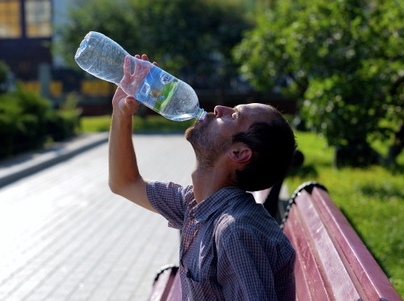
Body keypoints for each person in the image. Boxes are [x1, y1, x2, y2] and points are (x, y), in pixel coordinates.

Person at [108, 54, 297, 300]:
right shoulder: (196, 204)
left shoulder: (236, 232)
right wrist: (121, 113)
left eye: (234, 116)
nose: (219, 108)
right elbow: (125, 183)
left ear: (239, 153)